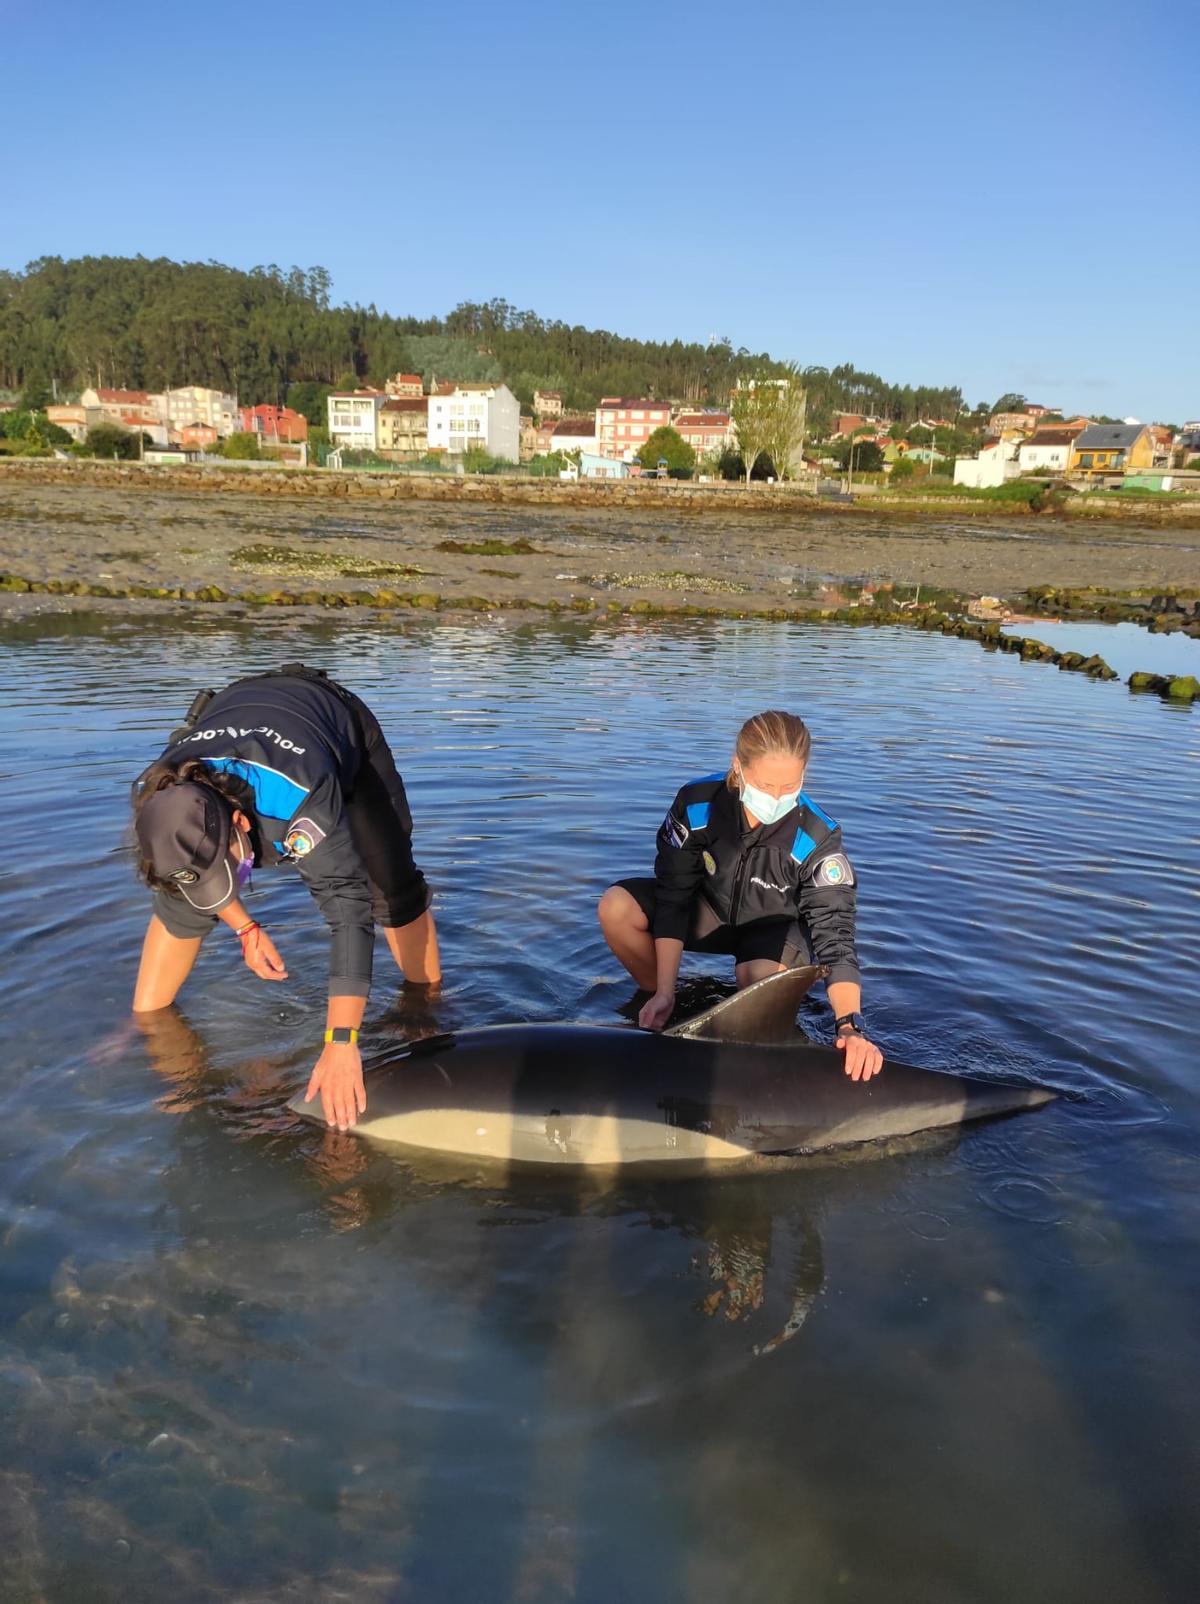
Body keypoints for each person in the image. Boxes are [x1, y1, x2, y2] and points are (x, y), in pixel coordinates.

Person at [130, 664, 440, 1130]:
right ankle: (149, 1031)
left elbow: (347, 912)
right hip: (237, 706)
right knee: (178, 909)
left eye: (229, 868)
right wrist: (246, 927)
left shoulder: (300, 802)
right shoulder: (160, 794)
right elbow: (186, 886)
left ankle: (428, 1007)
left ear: (239, 824)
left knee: (389, 887)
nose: (227, 881)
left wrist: (340, 1043)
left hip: (332, 724)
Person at [597, 709, 883, 1079]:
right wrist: (667, 991)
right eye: (766, 787)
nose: (777, 799)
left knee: (755, 978)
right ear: (738, 767)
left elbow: (835, 938)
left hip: (772, 928)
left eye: (789, 787)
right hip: (707, 914)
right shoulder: (697, 804)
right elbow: (674, 895)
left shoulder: (818, 836)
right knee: (616, 907)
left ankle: (760, 1024)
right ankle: (666, 999)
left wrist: (850, 1026)